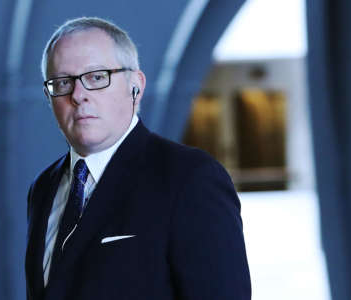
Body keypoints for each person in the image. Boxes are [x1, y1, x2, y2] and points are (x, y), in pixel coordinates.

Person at [25, 16, 251, 300]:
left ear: (136, 86)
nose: (79, 95)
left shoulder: (189, 178)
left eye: (97, 77)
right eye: (62, 82)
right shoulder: (43, 187)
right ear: (49, 97)